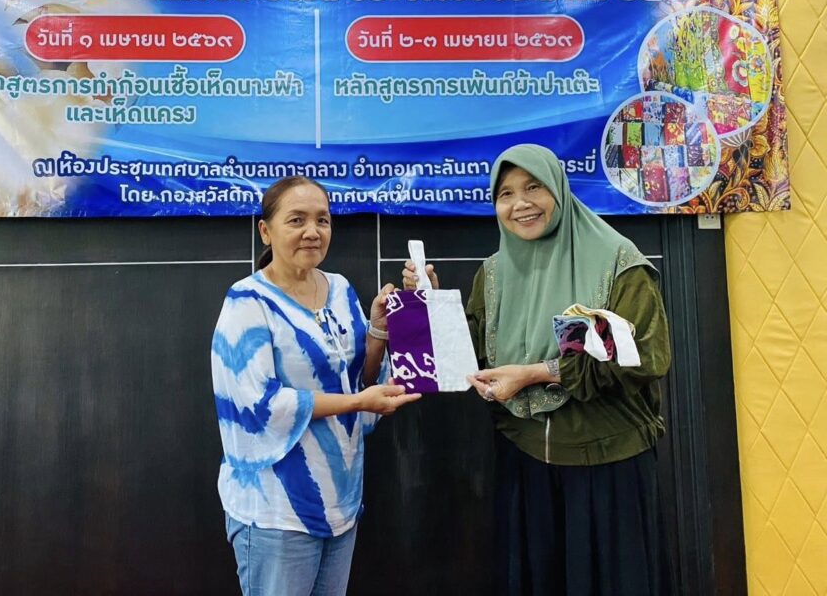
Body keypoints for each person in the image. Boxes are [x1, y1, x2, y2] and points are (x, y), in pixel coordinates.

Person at [403, 144, 671, 596]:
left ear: (558, 191)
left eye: (533, 187)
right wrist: (431, 301)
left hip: (606, 467)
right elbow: (468, 355)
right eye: (505, 194)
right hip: (525, 465)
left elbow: (645, 358)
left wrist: (539, 373)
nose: (520, 204)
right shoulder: (493, 274)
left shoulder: (618, 263)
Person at [213, 176, 420, 596]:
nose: (312, 231)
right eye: (297, 220)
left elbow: (360, 379)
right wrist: (357, 402)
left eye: (322, 220)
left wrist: (380, 329)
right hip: (275, 509)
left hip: (340, 501)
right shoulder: (247, 302)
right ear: (266, 231)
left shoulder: (340, 289)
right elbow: (260, 406)